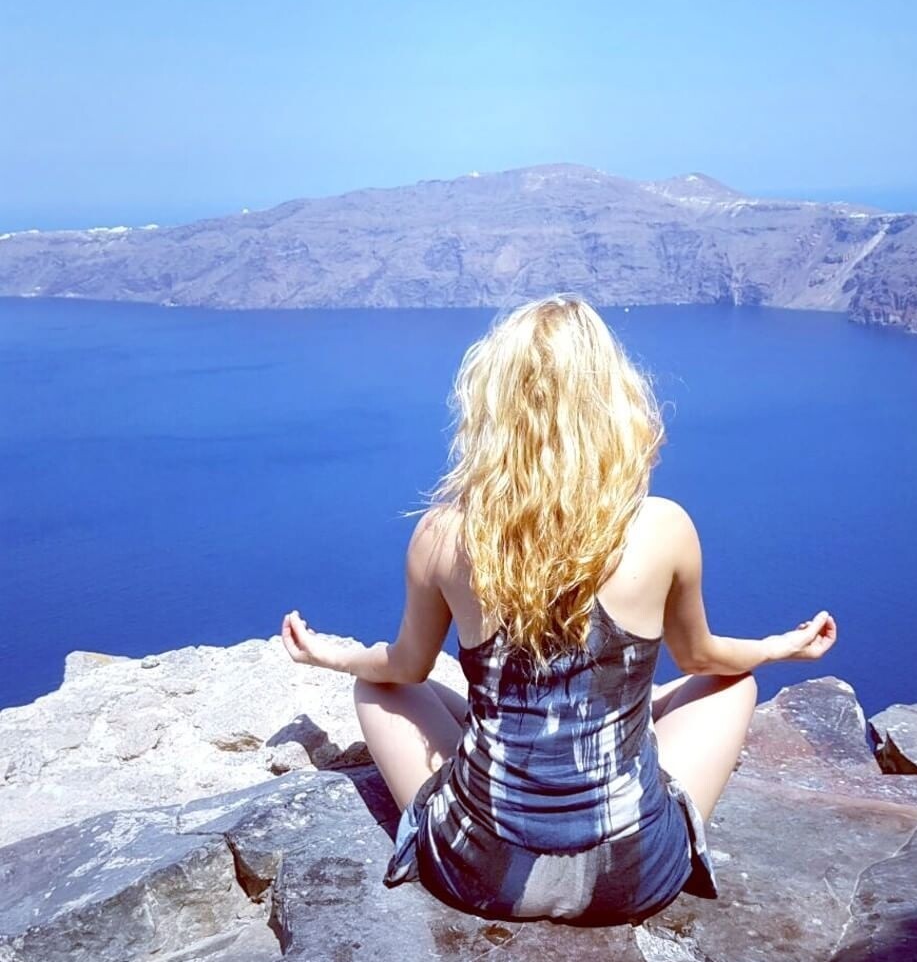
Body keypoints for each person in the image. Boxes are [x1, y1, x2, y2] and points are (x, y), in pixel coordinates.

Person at [280, 291, 838, 926]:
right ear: (615, 402)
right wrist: (776, 648)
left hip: (481, 873)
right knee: (734, 683)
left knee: (378, 689)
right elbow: (702, 658)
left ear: (492, 408)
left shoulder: (444, 534)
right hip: (633, 877)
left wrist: (331, 656)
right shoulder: (662, 527)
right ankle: (625, 721)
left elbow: (404, 668)